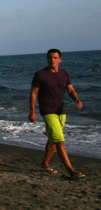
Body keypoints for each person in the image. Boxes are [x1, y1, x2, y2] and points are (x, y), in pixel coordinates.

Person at [29, 49, 85, 179]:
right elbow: (33, 93)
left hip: (61, 111)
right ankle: (71, 171)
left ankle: (44, 163)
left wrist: (77, 99)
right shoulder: (41, 74)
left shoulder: (64, 73)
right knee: (59, 140)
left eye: (55, 58)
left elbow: (70, 89)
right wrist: (32, 111)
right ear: (47, 59)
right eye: (50, 58)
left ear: (60, 59)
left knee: (53, 140)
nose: (52, 60)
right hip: (48, 111)